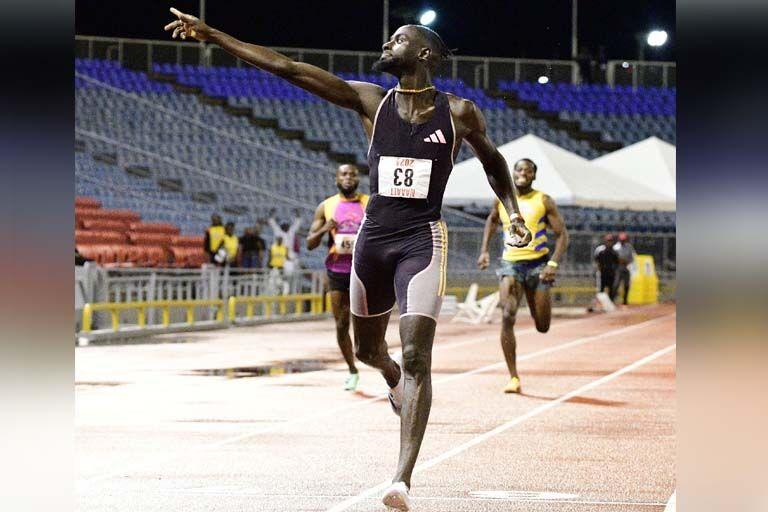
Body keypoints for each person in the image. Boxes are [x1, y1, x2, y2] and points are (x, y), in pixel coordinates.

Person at [164, 12, 532, 509]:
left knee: (419, 354)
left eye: (398, 38)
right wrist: (213, 36)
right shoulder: (370, 101)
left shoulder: (460, 112)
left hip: (421, 240)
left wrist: (511, 212)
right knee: (368, 351)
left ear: (423, 54)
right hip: (373, 241)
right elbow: (288, 67)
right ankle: (392, 377)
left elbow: (494, 162)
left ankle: (401, 479)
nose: (387, 41)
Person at [477, 158, 568, 394]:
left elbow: (562, 235)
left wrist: (553, 263)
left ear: (534, 176)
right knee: (507, 315)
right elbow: (492, 220)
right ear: (513, 173)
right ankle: (513, 377)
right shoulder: (503, 200)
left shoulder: (544, 200)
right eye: (519, 170)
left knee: (542, 326)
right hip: (511, 264)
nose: (523, 173)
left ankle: (535, 298)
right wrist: (485, 250)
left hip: (538, 265)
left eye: (528, 171)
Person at [306, 164, 368, 391]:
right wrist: (325, 229)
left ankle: (377, 360)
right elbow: (310, 244)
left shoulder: (368, 204)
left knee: (366, 325)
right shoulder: (326, 206)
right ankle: (352, 370)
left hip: (364, 271)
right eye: (344, 174)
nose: (348, 177)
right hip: (337, 271)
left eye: (352, 174)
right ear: (336, 179)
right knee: (342, 324)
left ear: (358, 178)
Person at [594, 233, 618, 301]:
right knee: (601, 288)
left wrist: (614, 270)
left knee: (611, 288)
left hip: (611, 272)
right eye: (608, 240)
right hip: (602, 272)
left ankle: (611, 302)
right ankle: (600, 303)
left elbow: (616, 262)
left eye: (611, 240)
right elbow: (596, 260)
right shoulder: (600, 250)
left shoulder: (614, 251)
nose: (609, 242)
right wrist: (598, 269)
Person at [612, 231, 635, 305]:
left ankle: (625, 300)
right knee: (616, 284)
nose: (622, 241)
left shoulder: (629, 247)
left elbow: (631, 258)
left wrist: (626, 261)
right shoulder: (616, 247)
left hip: (626, 267)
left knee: (627, 285)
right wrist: (619, 261)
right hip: (618, 268)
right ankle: (613, 299)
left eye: (624, 240)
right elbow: (613, 258)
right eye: (621, 240)